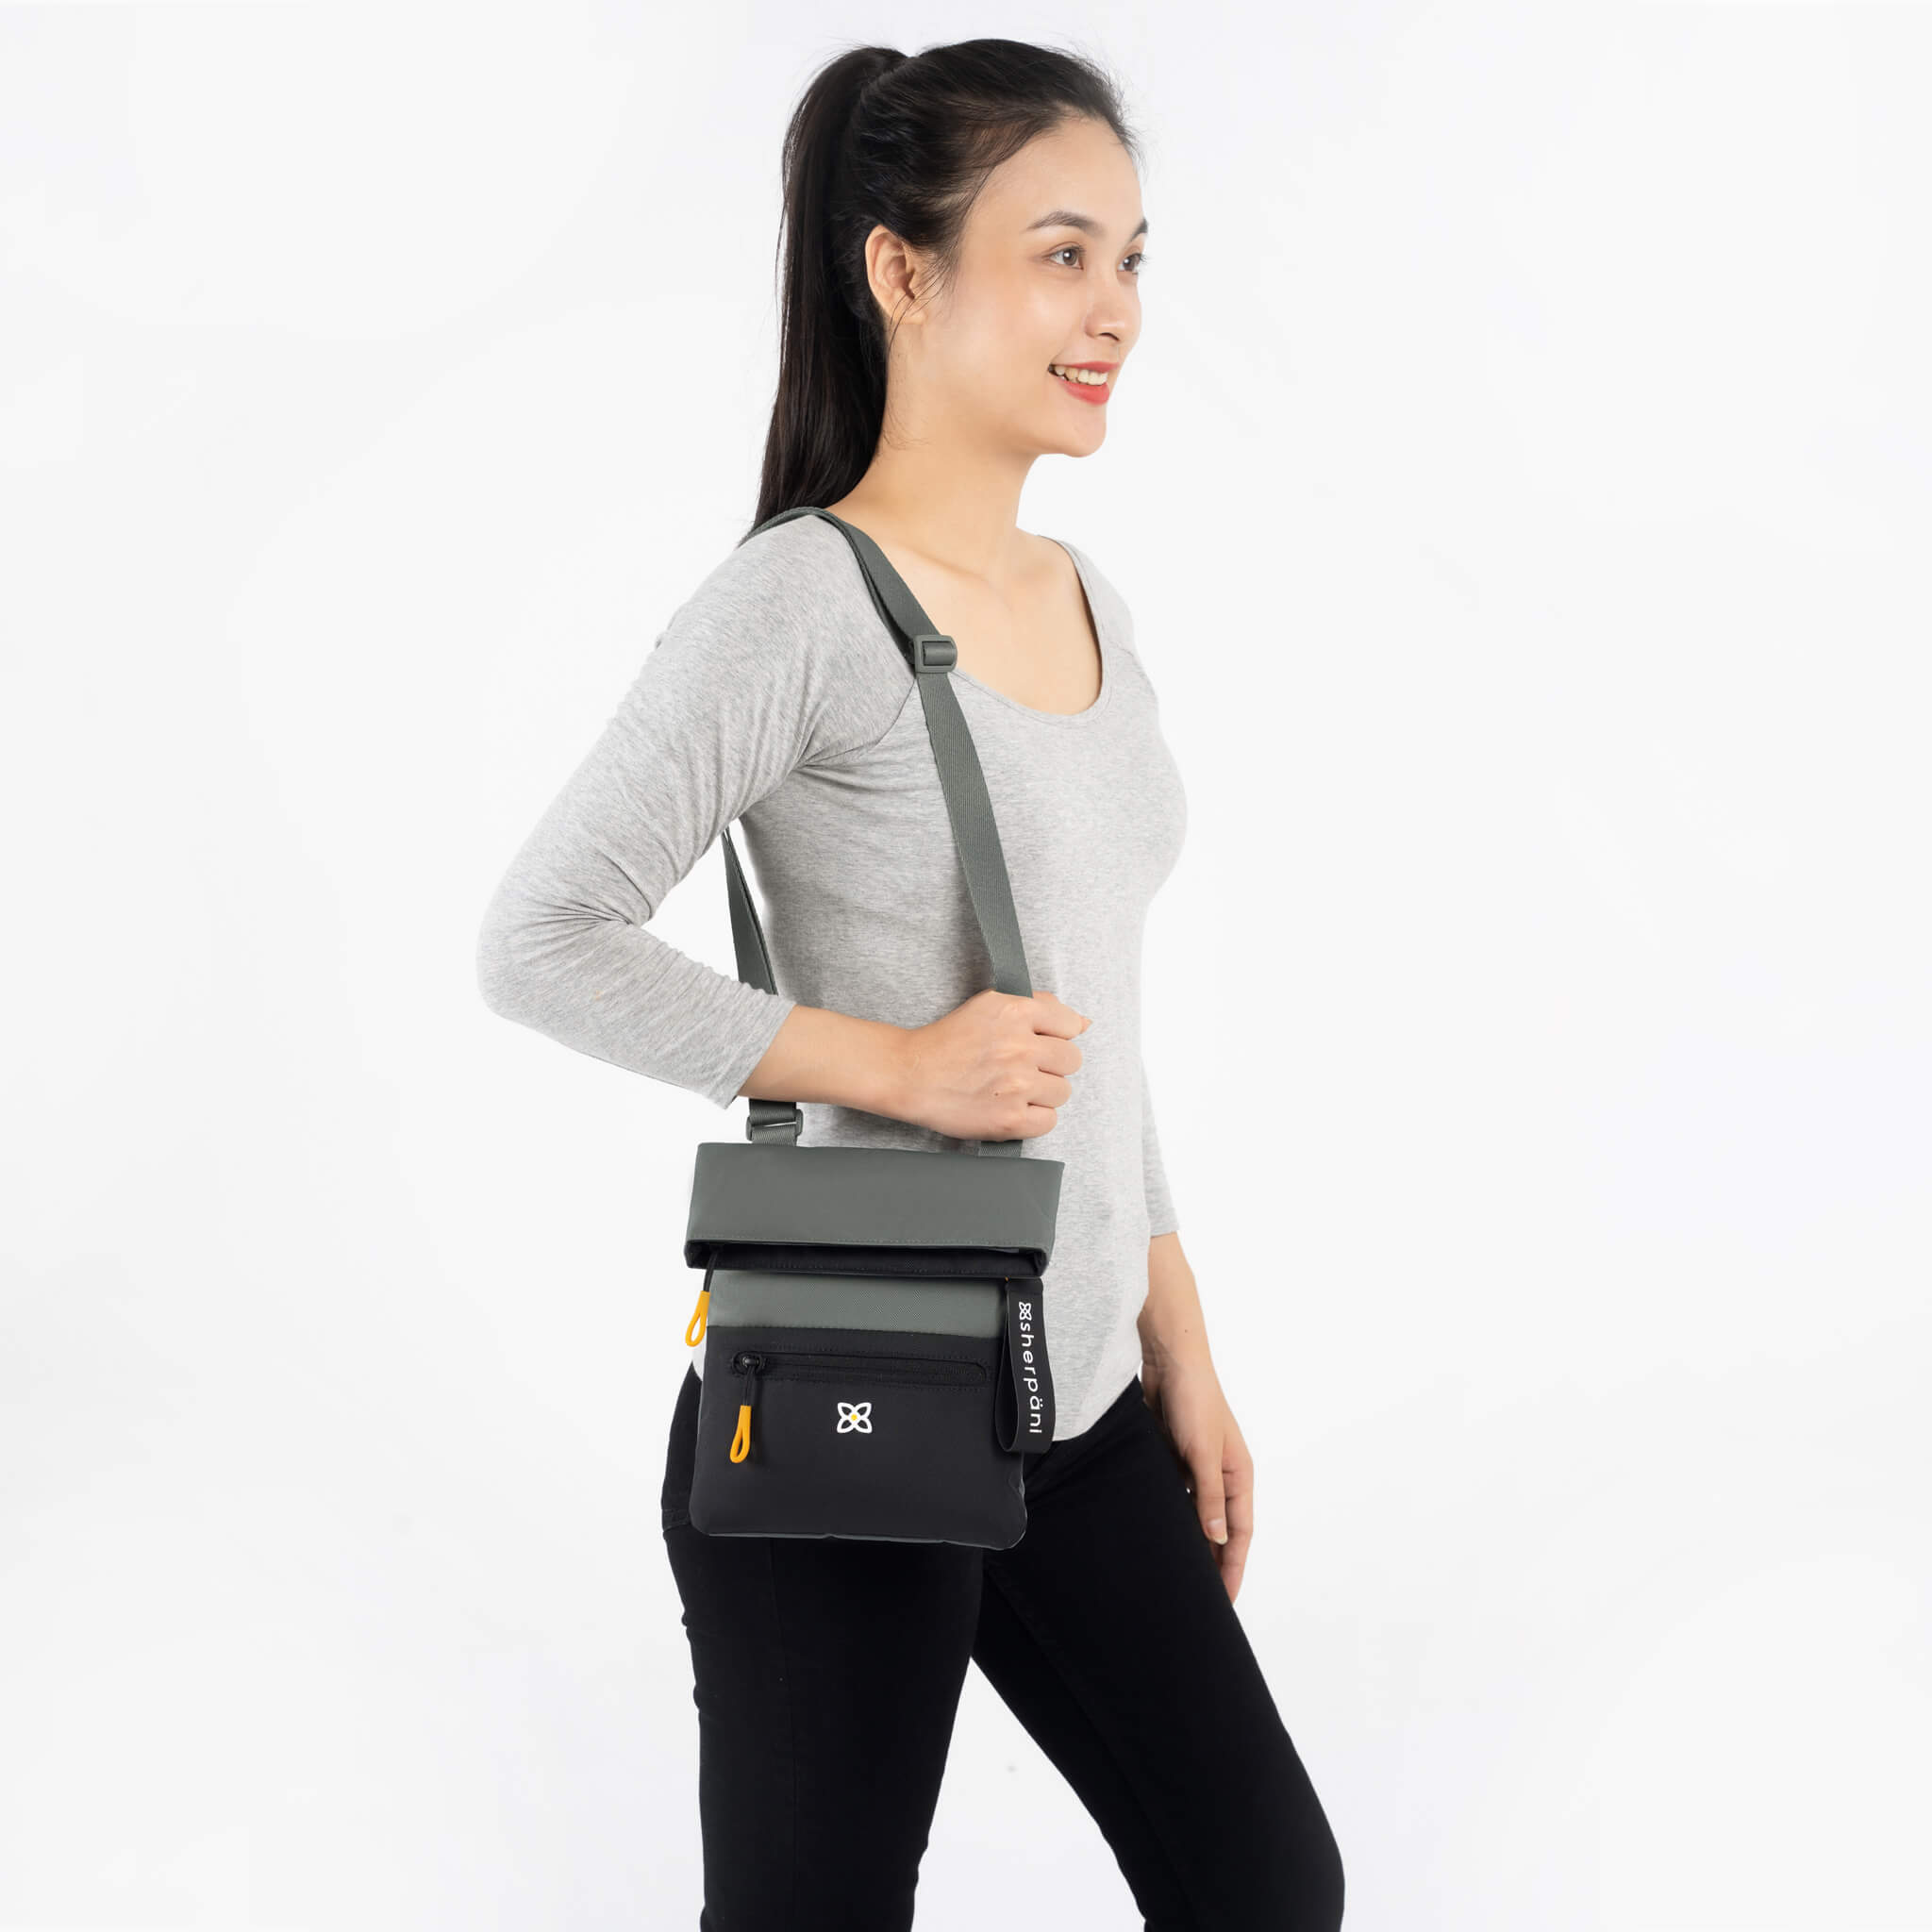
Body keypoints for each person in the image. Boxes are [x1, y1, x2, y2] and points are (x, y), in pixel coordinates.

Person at [475, 34, 1344, 1930]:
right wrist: (894, 1064)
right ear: (901, 269)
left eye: (1131, 259)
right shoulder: (798, 604)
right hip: (855, 1396)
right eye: (1060, 255)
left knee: (1266, 1883)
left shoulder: (1088, 598)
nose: (1114, 311)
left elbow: (1096, 1019)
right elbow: (540, 935)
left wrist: (1181, 1335)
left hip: (1079, 1394)